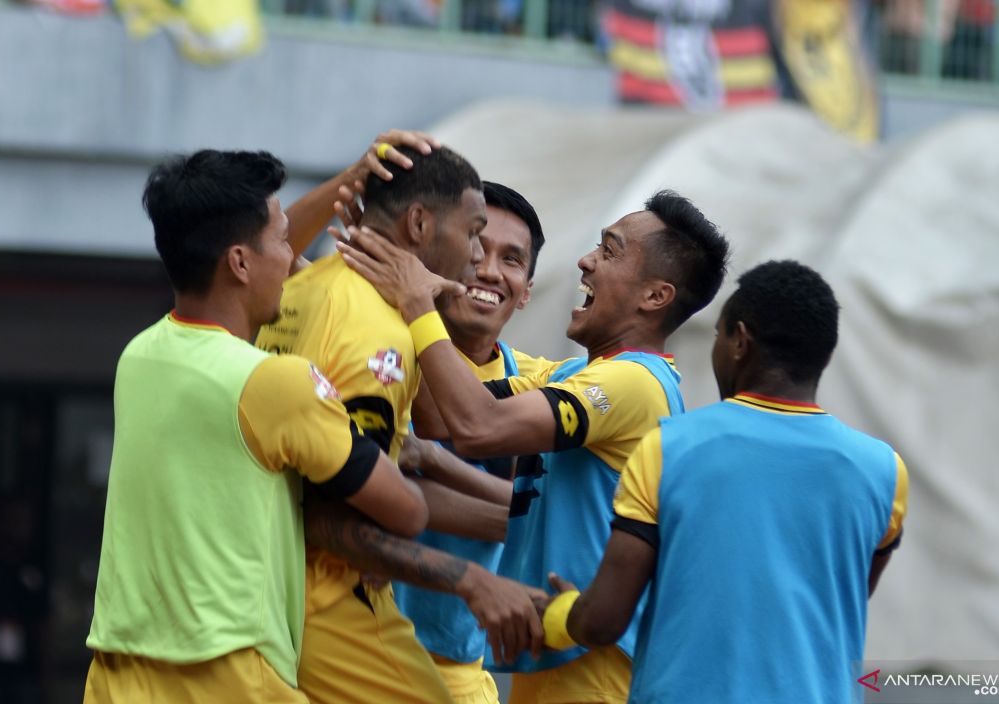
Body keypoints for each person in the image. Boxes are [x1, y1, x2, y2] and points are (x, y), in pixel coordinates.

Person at [338, 189, 731, 704]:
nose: (585, 261)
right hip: (551, 654)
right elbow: (441, 417)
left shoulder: (635, 383)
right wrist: (403, 277)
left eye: (609, 251)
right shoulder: (576, 374)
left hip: (595, 670)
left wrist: (416, 301)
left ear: (655, 296)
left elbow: (477, 426)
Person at [83, 150, 427, 704]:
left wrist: (348, 178)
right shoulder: (277, 385)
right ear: (241, 263)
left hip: (115, 674)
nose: (293, 259)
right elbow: (408, 511)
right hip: (230, 678)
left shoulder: (138, 359)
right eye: (285, 244)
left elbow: (249, 241)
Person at [542, 260, 909, 703]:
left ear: (740, 340)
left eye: (718, 335)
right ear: (825, 355)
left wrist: (560, 614)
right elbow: (841, 596)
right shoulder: (885, 471)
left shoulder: (669, 448)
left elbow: (603, 621)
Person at [256, 145, 545, 704]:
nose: (481, 259)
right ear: (419, 224)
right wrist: (467, 575)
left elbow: (443, 428)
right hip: (332, 607)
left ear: (528, 288)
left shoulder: (298, 289)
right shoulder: (379, 330)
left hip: (274, 597)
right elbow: (331, 511)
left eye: (510, 257)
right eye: (476, 233)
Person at [393, 180, 550, 704]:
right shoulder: (379, 347)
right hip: (363, 656)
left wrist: (432, 463)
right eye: (477, 250)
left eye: (512, 260)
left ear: (526, 289)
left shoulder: (546, 382)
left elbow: (546, 511)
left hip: (466, 672)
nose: (489, 270)